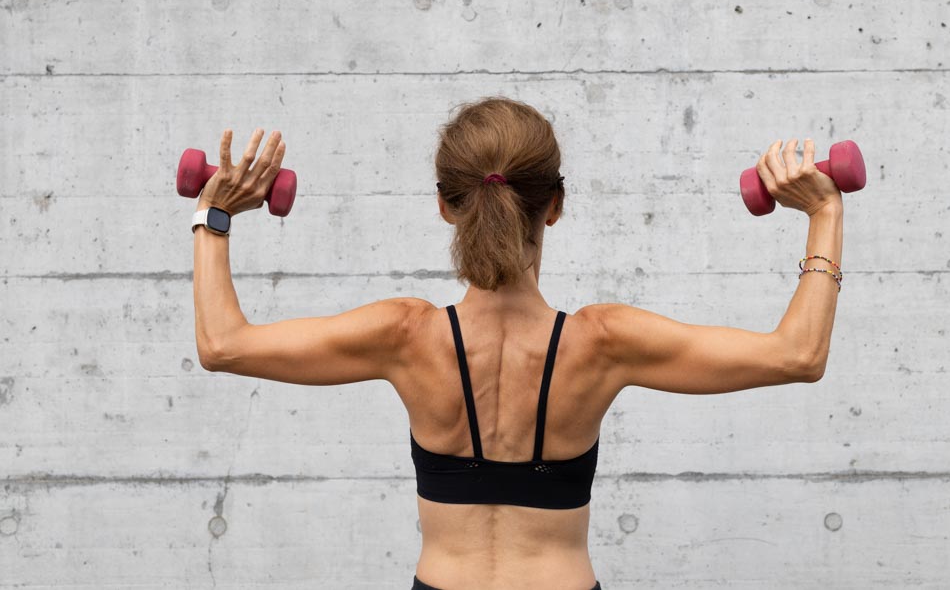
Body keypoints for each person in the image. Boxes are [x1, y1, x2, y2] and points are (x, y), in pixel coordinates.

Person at [191, 97, 844, 590]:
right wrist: (825, 213)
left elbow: (222, 344)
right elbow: (798, 354)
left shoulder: (405, 335)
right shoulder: (604, 341)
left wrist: (212, 217)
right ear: (554, 205)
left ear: (447, 205)